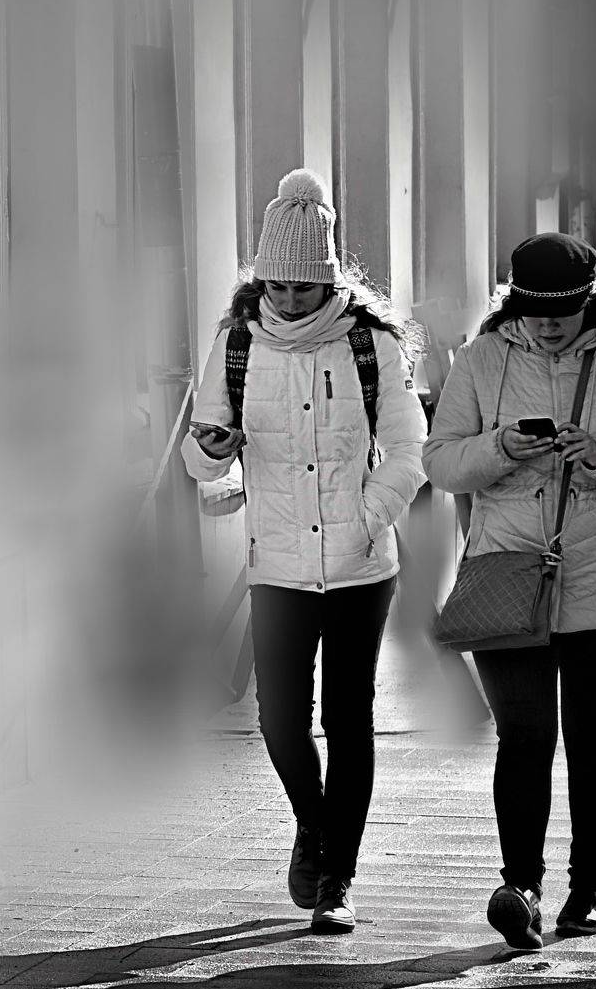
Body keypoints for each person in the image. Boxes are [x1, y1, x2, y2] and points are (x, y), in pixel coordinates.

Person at [181, 168, 427, 934]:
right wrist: (211, 449)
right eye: (277, 286)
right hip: (278, 565)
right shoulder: (236, 345)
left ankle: (337, 879)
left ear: (328, 278)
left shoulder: (369, 344)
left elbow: (408, 450)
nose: (288, 300)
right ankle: (313, 825)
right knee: (281, 721)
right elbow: (201, 461)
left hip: (361, 564)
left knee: (349, 719)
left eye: (303, 287)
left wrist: (368, 516)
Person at [422, 234, 596, 951]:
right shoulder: (481, 359)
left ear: (589, 301)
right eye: (535, 312)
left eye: (563, 312)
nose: (549, 324)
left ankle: (588, 888)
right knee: (524, 735)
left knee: (591, 738)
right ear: (516, 302)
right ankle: (521, 887)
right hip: (506, 571)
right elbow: (440, 462)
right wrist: (501, 447)